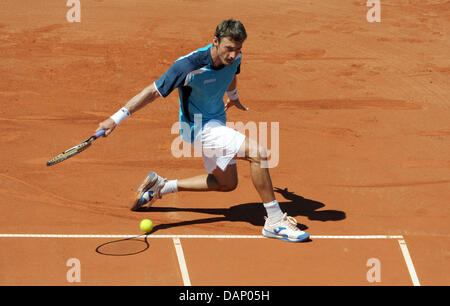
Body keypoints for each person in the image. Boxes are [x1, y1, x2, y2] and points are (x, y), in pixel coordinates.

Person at [96, 19, 309, 242]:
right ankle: (274, 221)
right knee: (258, 153)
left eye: (238, 50)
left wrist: (233, 97)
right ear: (215, 41)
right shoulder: (188, 66)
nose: (232, 55)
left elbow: (232, 73)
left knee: (226, 183)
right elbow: (152, 92)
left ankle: (161, 187)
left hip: (216, 123)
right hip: (197, 128)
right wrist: (115, 118)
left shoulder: (236, 57)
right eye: (228, 49)